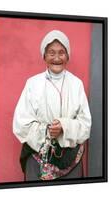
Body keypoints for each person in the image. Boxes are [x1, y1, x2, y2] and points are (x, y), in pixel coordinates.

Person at [13, 30, 92, 181]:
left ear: (68, 55)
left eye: (62, 52)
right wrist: (48, 131)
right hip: (37, 160)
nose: (57, 58)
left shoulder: (76, 84)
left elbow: (85, 125)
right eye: (51, 52)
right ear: (44, 55)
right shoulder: (33, 84)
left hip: (71, 160)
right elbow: (21, 124)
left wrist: (64, 126)